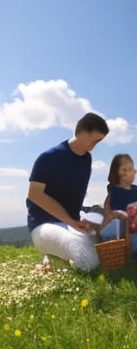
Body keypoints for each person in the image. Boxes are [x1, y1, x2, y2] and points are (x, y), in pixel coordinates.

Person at [26, 112, 110, 272]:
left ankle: (58, 255)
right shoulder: (48, 157)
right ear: (83, 131)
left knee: (106, 239)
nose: (94, 146)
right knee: (89, 260)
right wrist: (70, 221)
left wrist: (85, 223)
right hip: (43, 225)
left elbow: (73, 197)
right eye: (94, 140)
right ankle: (52, 255)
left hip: (71, 225)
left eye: (98, 142)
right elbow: (34, 195)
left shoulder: (86, 160)